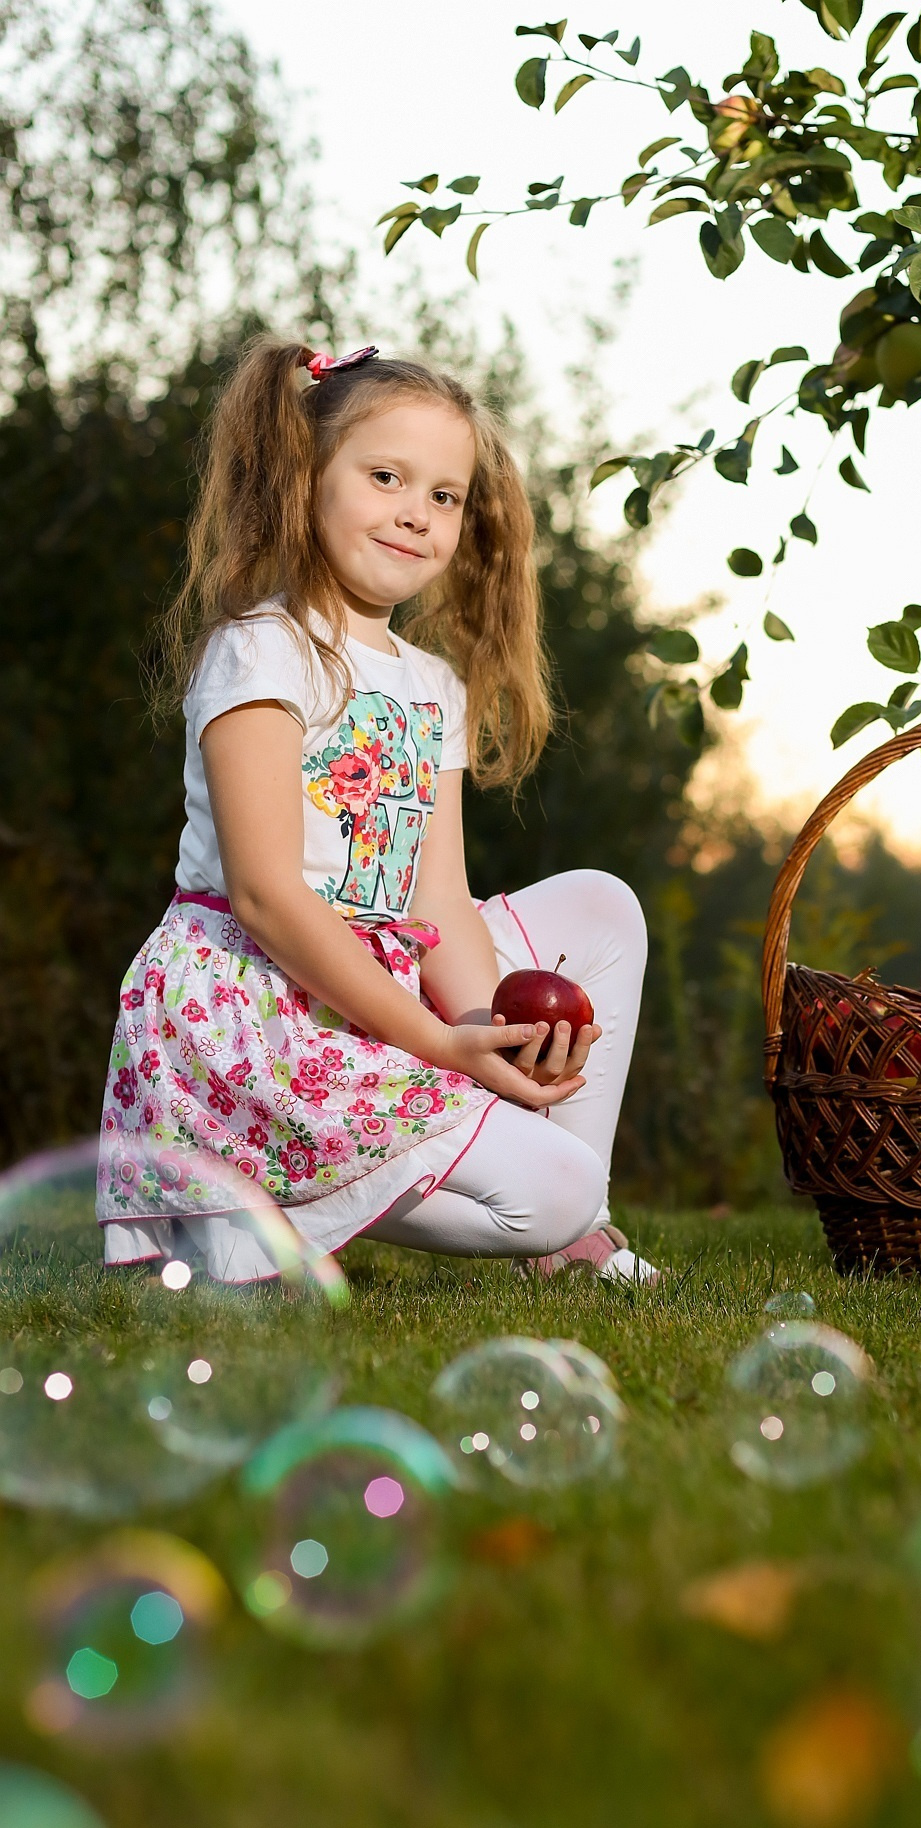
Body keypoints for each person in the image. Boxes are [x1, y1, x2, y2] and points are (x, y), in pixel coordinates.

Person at [97, 337, 654, 1284]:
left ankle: (568, 1233)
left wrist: (496, 1039)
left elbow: (436, 898)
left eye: (443, 496)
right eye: (386, 477)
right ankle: (245, 1209)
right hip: (259, 1012)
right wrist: (439, 1042)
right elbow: (267, 896)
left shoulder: (430, 685)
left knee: (603, 907)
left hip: (381, 976)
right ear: (306, 476)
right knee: (548, 1197)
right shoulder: (263, 650)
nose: (417, 516)